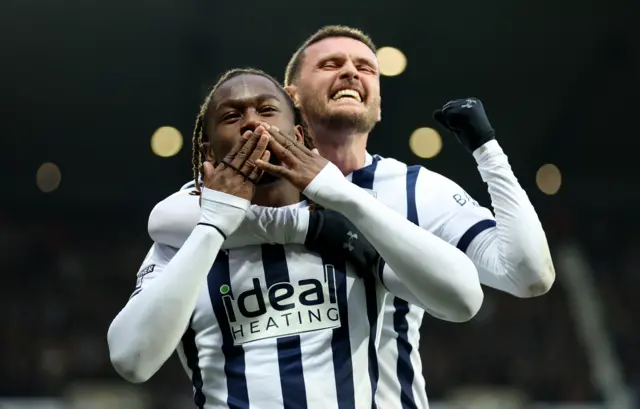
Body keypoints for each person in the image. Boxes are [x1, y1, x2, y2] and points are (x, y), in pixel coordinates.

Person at [149, 26, 555, 408]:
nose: (350, 71)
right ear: (289, 99)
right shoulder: (243, 186)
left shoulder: (414, 189)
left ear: (378, 105)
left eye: (365, 68)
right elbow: (166, 218)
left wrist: (486, 149)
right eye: (330, 64)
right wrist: (319, 224)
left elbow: (529, 274)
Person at [108, 68, 484, 409]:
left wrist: (346, 197)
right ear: (208, 150)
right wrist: (213, 227)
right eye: (232, 116)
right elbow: (131, 360)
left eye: (267, 110)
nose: (252, 124)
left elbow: (464, 300)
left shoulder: (354, 227)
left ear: (300, 136)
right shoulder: (185, 243)